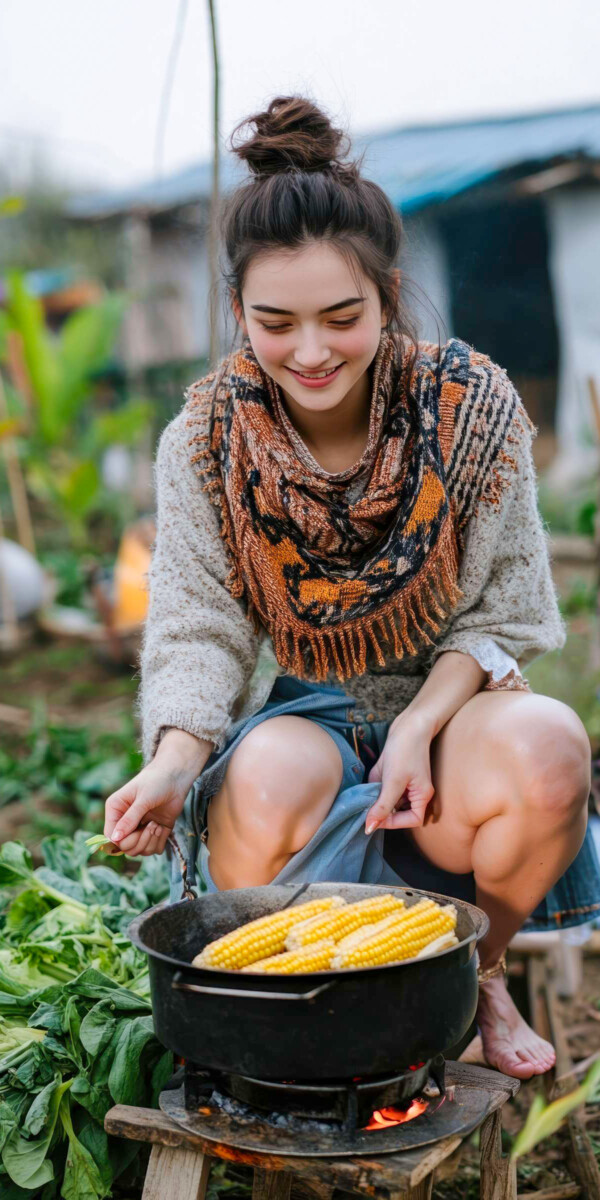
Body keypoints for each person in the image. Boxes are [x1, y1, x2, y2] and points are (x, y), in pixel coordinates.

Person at [103, 95, 598, 1080]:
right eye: (275, 323)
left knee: (549, 752)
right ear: (239, 311)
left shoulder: (470, 409)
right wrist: (168, 762)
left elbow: (505, 607)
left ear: (387, 295)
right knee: (270, 776)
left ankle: (477, 977)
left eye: (343, 317)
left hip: (457, 701)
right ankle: (308, 1008)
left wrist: (418, 724)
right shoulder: (206, 441)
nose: (312, 352)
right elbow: (200, 628)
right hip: (307, 710)